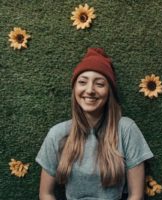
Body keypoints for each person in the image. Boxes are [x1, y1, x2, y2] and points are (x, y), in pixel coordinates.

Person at [36, 48, 154, 200]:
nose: (90, 90)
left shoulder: (126, 129)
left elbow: (136, 196)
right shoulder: (57, 133)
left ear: (109, 92)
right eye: (82, 82)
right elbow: (45, 194)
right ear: (75, 89)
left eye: (99, 84)